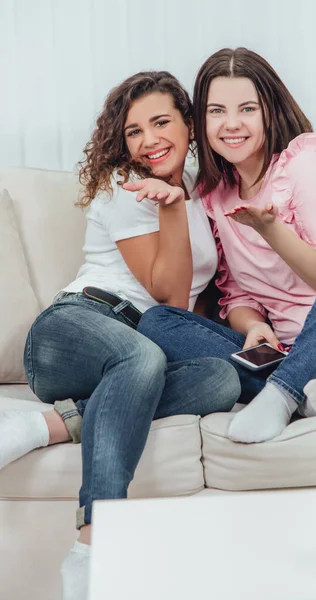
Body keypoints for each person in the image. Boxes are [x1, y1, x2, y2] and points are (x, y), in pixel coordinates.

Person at [0, 71, 241, 600]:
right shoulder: (124, 184)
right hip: (72, 329)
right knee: (141, 358)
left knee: (221, 378)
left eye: (161, 122)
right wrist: (168, 204)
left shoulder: (206, 192)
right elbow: (166, 294)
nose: (149, 140)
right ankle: (93, 544)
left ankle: (50, 425)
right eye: (134, 131)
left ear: (190, 126)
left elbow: (188, 312)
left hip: (140, 351)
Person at [137, 47, 316, 443]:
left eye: (247, 109)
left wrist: (272, 232)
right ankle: (306, 397)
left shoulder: (303, 163)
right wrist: (254, 324)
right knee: (157, 322)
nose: (231, 124)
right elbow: (237, 293)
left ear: (269, 112)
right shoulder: (215, 195)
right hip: (294, 359)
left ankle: (283, 392)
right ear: (200, 123)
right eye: (216, 111)